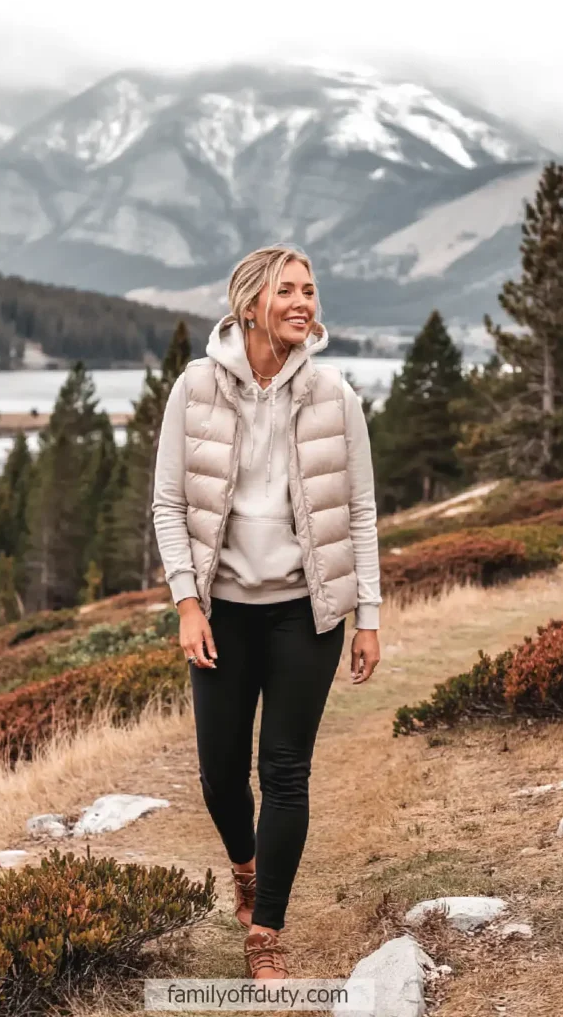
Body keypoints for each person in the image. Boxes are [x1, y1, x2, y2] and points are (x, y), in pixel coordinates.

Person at [152, 245, 382, 979]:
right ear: (250, 303)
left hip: (304, 614)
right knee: (220, 776)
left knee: (284, 771)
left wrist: (367, 614)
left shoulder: (333, 396)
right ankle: (245, 867)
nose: (302, 302)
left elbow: (360, 510)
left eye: (309, 290)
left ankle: (266, 933)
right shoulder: (194, 388)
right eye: (286, 290)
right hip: (221, 609)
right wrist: (187, 602)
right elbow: (168, 504)